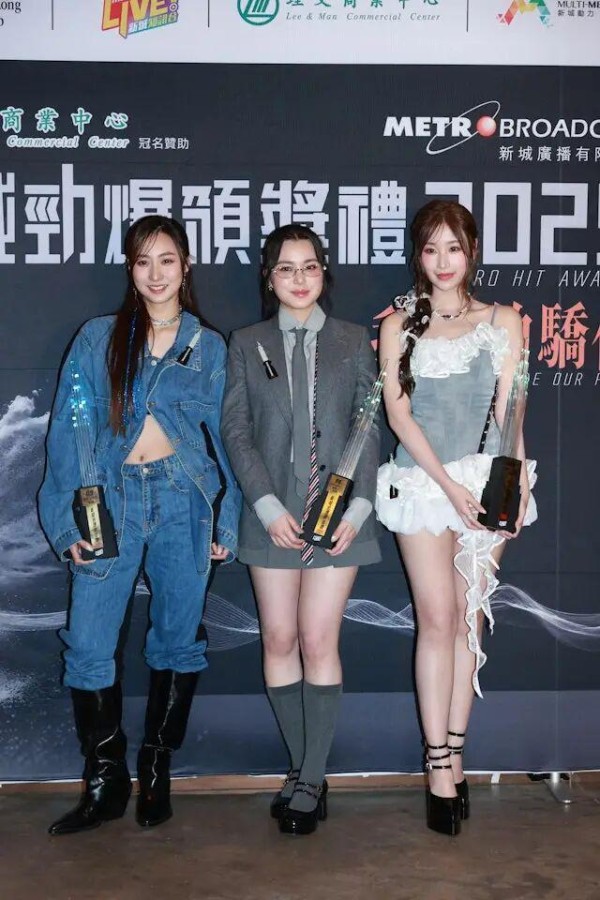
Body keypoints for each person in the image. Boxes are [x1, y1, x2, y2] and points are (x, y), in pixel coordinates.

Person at [38, 214, 240, 835]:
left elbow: (226, 439)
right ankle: (105, 782)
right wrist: (67, 517)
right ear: (130, 268)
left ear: (186, 266)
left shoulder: (208, 346)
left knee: (178, 639)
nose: (155, 274)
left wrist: (226, 519)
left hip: (185, 500)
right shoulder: (99, 338)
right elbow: (72, 427)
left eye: (167, 260)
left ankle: (156, 769)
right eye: (143, 261)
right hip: (110, 499)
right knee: (89, 645)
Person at [376, 200, 537, 836]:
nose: (443, 262)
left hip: (485, 482)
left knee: (471, 622)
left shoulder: (503, 320)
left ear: (472, 252)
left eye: (455, 248)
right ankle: (437, 763)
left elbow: (511, 411)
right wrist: (447, 486)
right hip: (423, 484)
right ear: (418, 255)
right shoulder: (399, 325)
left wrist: (512, 487)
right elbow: (398, 416)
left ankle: (458, 753)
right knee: (437, 618)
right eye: (431, 249)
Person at [221, 224, 381, 835]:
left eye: (309, 266)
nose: (298, 278)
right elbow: (236, 430)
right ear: (269, 278)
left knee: (318, 640)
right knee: (279, 639)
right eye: (285, 268)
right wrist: (264, 505)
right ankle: (302, 766)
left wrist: (359, 508)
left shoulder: (353, 340)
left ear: (324, 273)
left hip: (338, 516)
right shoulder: (246, 343)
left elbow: (368, 427)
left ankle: (311, 778)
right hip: (272, 514)